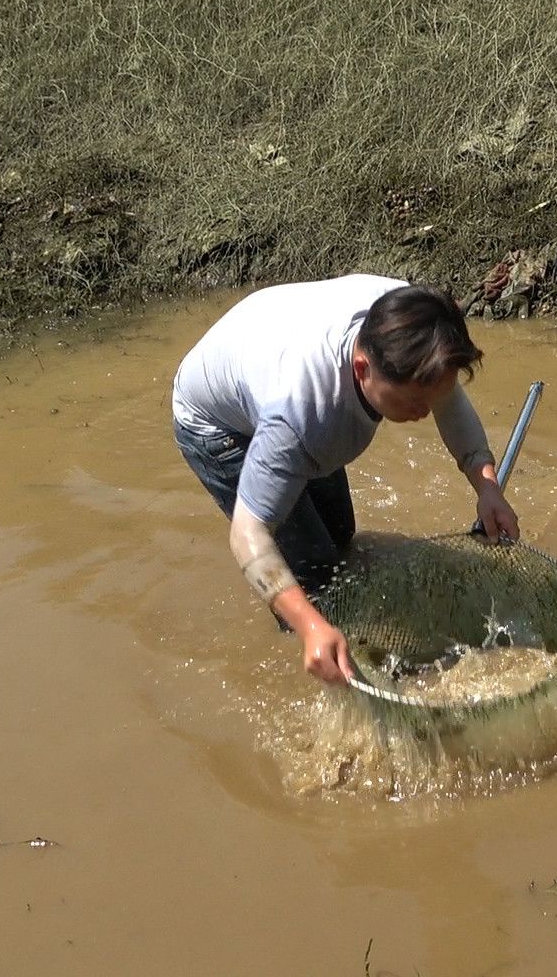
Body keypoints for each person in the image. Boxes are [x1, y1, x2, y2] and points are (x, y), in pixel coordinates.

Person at [171, 275, 521, 685]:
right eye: (413, 403)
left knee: (340, 536)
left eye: (430, 399)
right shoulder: (304, 415)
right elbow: (248, 532)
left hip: (264, 346)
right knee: (314, 580)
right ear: (362, 368)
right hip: (215, 423)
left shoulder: (410, 321)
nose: (426, 413)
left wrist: (487, 487)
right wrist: (310, 627)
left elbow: (449, 402)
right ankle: (319, 663)